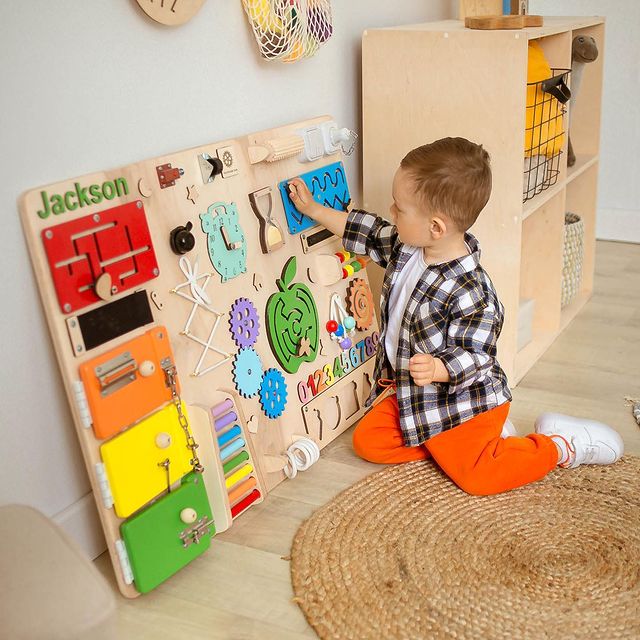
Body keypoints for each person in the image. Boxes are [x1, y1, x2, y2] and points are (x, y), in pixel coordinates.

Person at [287, 137, 624, 495]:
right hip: (417, 395)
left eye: (400, 209)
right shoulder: (407, 246)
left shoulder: (472, 289)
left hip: (463, 398)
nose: (392, 211)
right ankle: (471, 443)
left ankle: (558, 445)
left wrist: (439, 368)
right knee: (368, 441)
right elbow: (365, 230)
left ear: (436, 227)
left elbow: (477, 356)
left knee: (477, 479)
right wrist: (314, 210)